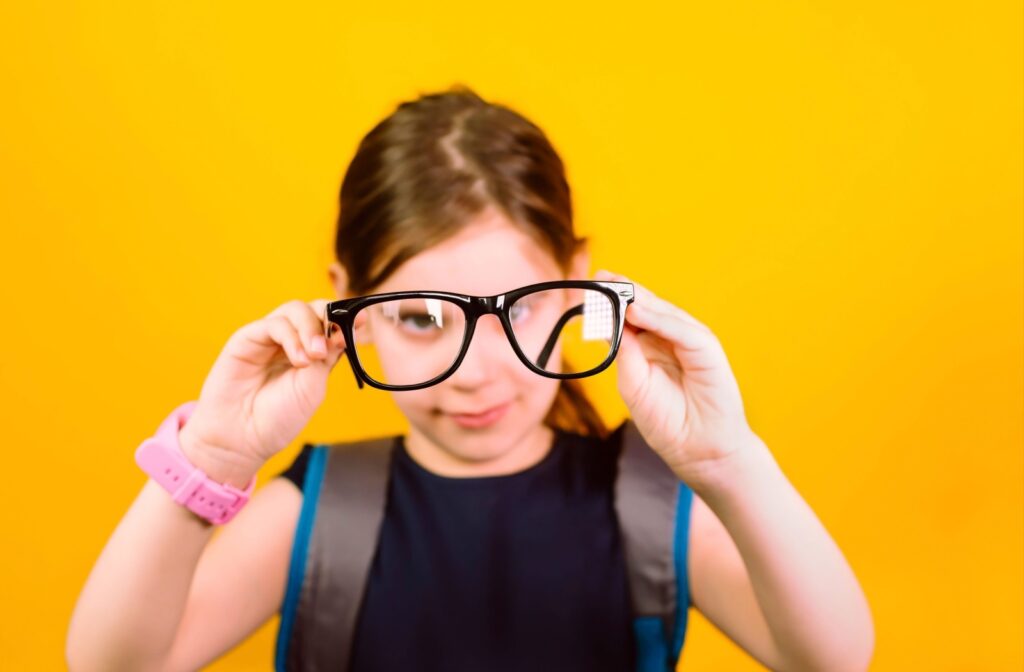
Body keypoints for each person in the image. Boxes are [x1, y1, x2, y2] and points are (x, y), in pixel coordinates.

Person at [66, 85, 874, 672]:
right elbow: (110, 665)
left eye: (518, 311)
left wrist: (730, 463)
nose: (477, 374)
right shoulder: (321, 513)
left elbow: (834, 656)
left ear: (576, 287)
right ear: (353, 305)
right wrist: (208, 457)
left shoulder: (649, 507)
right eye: (421, 319)